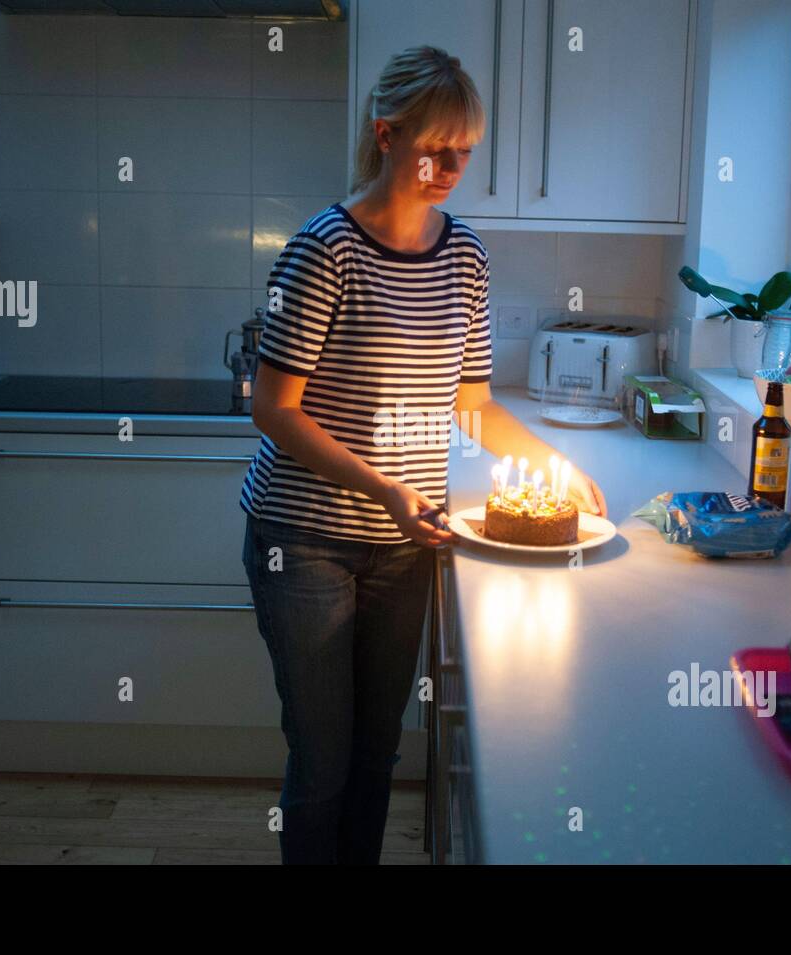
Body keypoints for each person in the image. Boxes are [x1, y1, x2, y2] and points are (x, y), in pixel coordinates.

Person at [238, 45, 608, 865]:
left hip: (408, 544)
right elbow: (272, 407)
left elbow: (471, 406)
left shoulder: (464, 255)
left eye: (465, 150)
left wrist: (561, 466)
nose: (450, 167)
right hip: (305, 540)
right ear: (386, 135)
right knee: (324, 761)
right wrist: (386, 491)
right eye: (435, 147)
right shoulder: (324, 248)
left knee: (377, 756)